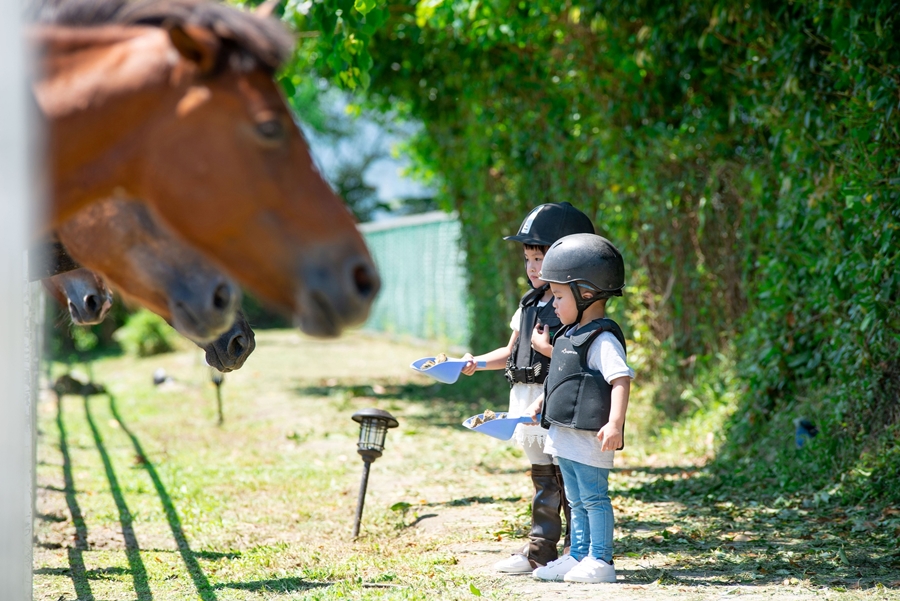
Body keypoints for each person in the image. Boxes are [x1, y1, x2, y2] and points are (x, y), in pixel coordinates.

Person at [459, 202, 595, 574]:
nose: (533, 268)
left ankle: (576, 550)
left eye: (541, 257)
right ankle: (540, 549)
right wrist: (476, 362)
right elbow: (510, 350)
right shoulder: (530, 304)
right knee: (542, 480)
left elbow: (575, 359)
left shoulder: (574, 307)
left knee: (568, 477)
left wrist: (547, 350)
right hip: (524, 400)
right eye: (528, 259)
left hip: (554, 401)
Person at [523, 233, 634, 584]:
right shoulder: (569, 334)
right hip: (564, 435)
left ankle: (600, 559)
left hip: (588, 437)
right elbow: (564, 374)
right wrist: (543, 401)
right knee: (575, 499)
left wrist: (615, 423)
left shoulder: (602, 339)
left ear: (586, 293)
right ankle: (577, 555)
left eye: (558, 295)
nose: (553, 303)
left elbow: (620, 379)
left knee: (593, 499)